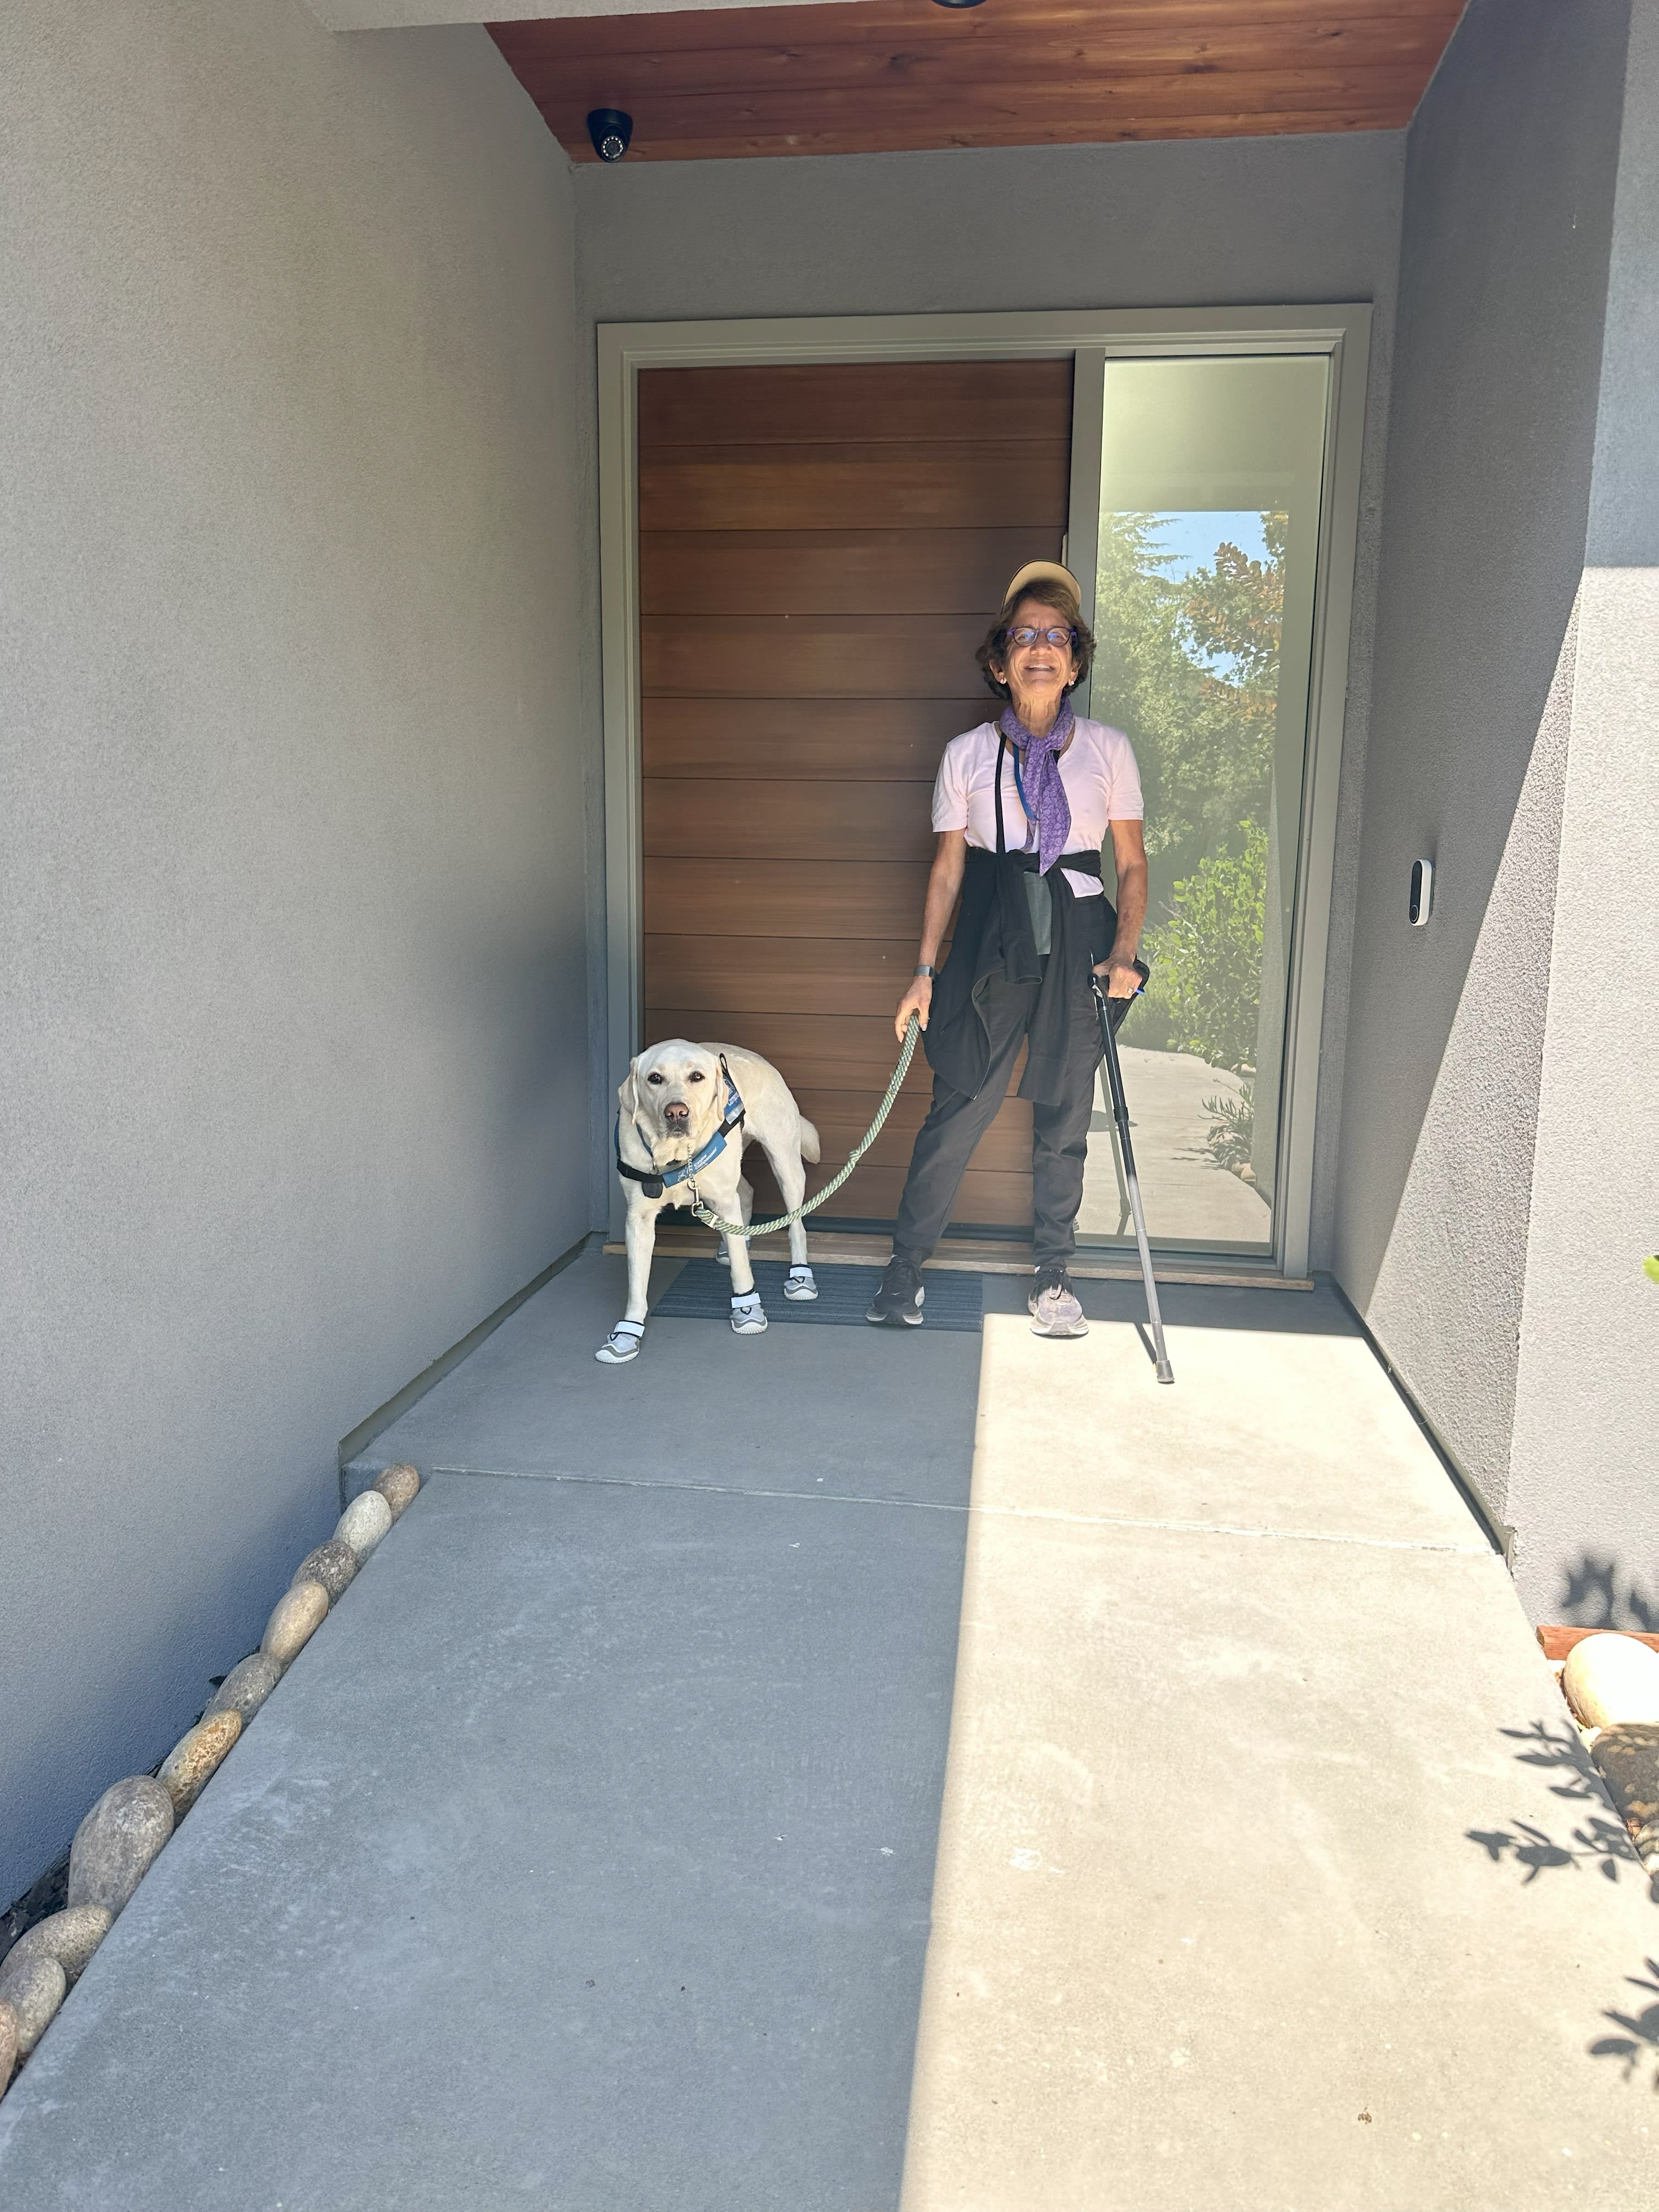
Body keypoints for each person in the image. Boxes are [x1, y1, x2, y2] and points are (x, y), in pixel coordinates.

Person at [865, 561, 1148, 1338]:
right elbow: (950, 868)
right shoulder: (966, 755)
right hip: (993, 938)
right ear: (1000, 662)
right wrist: (923, 973)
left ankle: (1054, 1277)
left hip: (1081, 945)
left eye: (1057, 636)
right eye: (1024, 635)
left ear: (1077, 661)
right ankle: (906, 1268)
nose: (1041, 648)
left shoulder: (1108, 750)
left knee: (1064, 1114)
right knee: (957, 1107)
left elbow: (1131, 863)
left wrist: (1124, 953)